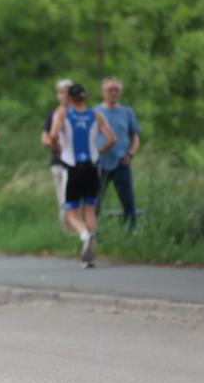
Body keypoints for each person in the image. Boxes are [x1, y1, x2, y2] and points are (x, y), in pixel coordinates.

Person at [50, 84, 117, 267]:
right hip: (92, 167)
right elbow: (112, 138)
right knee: (90, 210)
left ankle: (84, 235)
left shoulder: (63, 113)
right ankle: (90, 257)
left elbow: (53, 134)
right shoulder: (95, 114)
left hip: (71, 167)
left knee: (70, 212)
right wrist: (100, 149)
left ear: (69, 99)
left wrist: (56, 147)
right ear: (84, 98)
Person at [94, 76, 141, 231]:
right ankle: (92, 232)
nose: (113, 93)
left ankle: (131, 231)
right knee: (96, 200)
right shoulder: (95, 112)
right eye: (110, 90)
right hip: (100, 163)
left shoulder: (127, 112)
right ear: (103, 92)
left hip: (122, 162)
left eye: (116, 90)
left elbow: (135, 136)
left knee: (128, 200)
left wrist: (130, 154)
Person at [42, 79, 73, 233]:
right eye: (62, 92)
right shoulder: (52, 115)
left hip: (77, 163)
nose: (65, 95)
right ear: (58, 95)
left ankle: (81, 231)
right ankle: (68, 232)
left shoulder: (79, 114)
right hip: (59, 161)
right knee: (63, 200)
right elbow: (45, 139)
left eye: (68, 92)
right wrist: (55, 144)